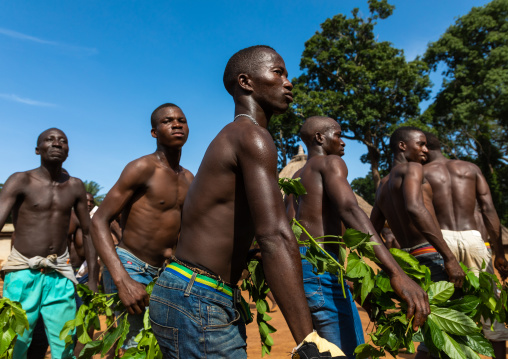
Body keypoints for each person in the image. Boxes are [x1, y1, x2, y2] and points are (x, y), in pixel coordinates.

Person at [149, 45, 345, 359]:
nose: (288, 82)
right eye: (278, 72)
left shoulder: (236, 136)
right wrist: (308, 339)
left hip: (190, 292)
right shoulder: (252, 137)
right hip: (197, 296)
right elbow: (275, 235)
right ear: (246, 82)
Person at [293, 117, 429, 358]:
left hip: (301, 268)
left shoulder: (295, 177)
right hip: (322, 266)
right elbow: (350, 209)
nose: (343, 142)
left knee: (322, 350)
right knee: (347, 351)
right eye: (338, 135)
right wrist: (396, 272)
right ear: (319, 138)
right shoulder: (330, 163)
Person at [91, 103, 193, 350]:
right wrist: (121, 279)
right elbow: (98, 220)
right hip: (130, 266)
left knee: (167, 346)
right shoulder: (142, 168)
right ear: (154, 132)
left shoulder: (189, 178)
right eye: (168, 121)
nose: (177, 124)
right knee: (135, 348)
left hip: (167, 272)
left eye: (182, 120)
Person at [0, 128, 99, 359]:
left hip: (60, 274)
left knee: (64, 342)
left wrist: (93, 279)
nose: (56, 144)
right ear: (37, 149)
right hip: (23, 272)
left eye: (62, 141)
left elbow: (88, 232)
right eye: (49, 140)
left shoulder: (75, 186)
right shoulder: (20, 180)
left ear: (68, 150)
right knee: (17, 341)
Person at [423, 131, 508, 358]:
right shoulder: (470, 168)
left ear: (424, 148)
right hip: (473, 238)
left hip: (439, 241)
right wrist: (499, 253)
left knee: (444, 308)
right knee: (490, 304)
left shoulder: (421, 173)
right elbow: (489, 210)